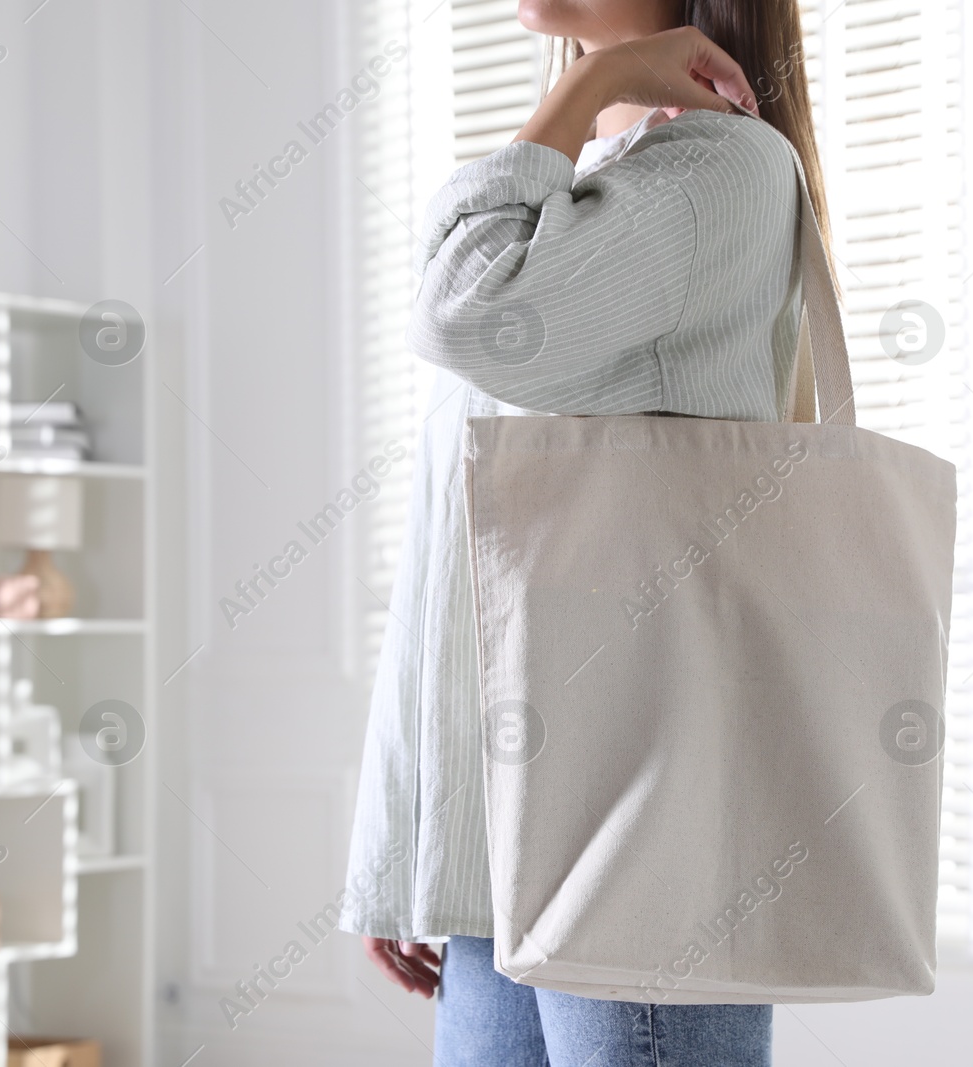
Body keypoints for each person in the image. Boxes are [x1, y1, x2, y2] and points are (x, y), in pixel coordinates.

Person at [339, 1, 834, 1063]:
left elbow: (465, 313)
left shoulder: (719, 171)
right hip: (501, 840)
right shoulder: (579, 181)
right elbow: (452, 561)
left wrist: (572, 89)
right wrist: (416, 841)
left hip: (634, 833)